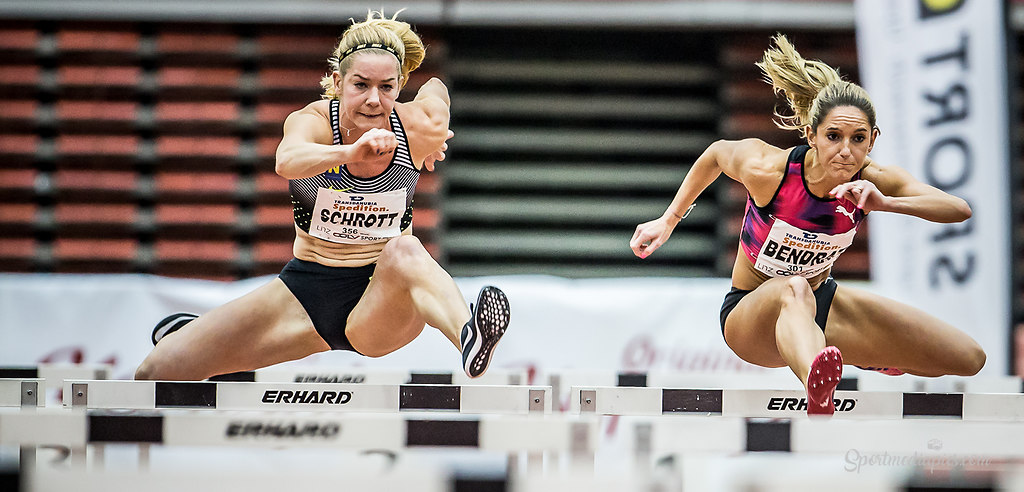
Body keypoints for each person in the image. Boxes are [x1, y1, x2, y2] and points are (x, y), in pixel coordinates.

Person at [135, 11, 510, 381]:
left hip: (380, 300)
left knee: (406, 250)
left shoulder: (415, 127)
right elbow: (287, 160)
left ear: (399, 85)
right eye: (361, 85)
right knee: (156, 371)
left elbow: (436, 90)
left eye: (387, 87)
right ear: (338, 81)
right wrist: (350, 153)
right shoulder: (313, 121)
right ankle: (197, 334)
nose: (374, 101)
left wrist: (437, 135)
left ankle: (469, 336)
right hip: (305, 292)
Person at [629, 34, 985, 415]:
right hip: (750, 319)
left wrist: (887, 203)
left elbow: (958, 208)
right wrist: (669, 220)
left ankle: (845, 357)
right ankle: (817, 390)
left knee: (967, 357)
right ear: (812, 136)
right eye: (833, 137)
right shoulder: (770, 170)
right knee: (793, 288)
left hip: (820, 307)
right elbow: (716, 154)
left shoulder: (874, 179)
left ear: (872, 142)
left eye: (858, 139)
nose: (845, 151)